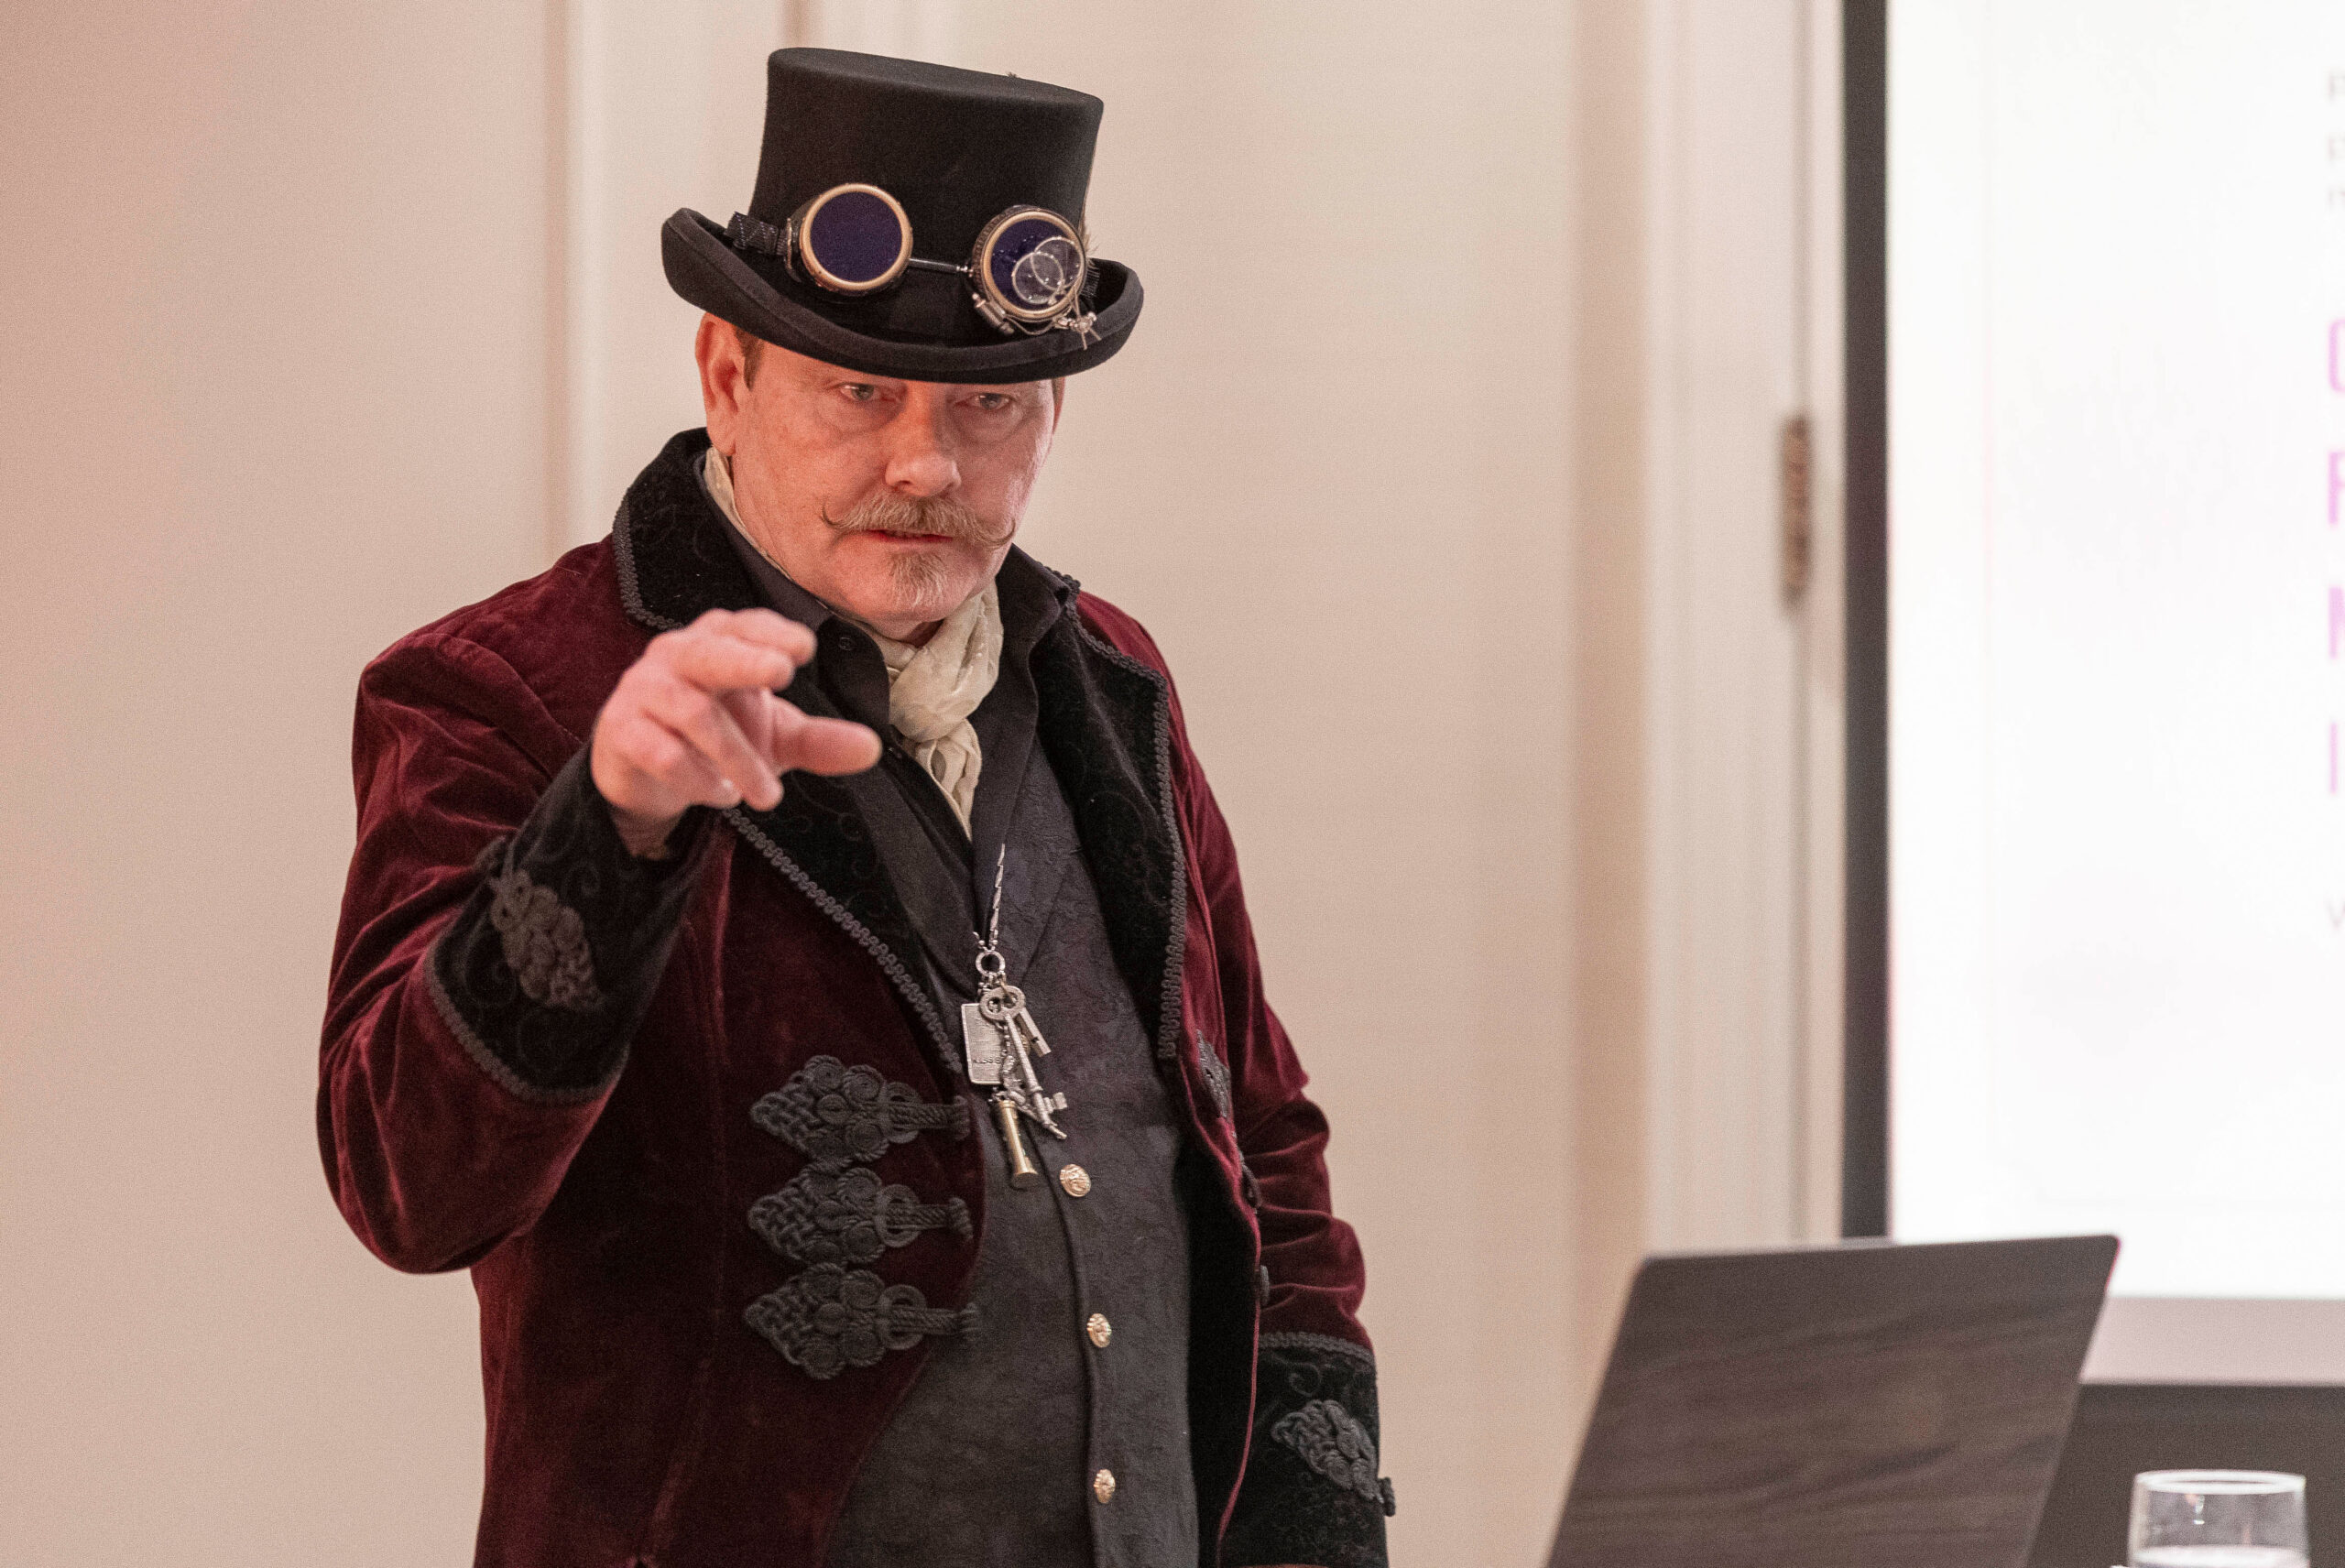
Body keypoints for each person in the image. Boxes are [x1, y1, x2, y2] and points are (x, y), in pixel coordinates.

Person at [319, 48, 1389, 1568]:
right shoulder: (506, 688)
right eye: (859, 389)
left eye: (988, 405)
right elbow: (406, 1187)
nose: (924, 463)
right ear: (727, 378)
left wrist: (1320, 1540)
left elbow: (1263, 1156)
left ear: (1052, 417)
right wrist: (607, 832)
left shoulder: (1114, 685)